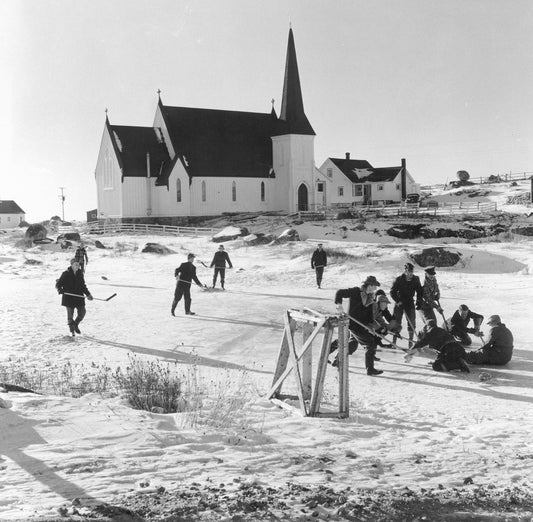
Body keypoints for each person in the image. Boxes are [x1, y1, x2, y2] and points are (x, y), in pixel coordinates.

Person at [334, 275, 383, 376]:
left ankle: (337, 360)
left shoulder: (370, 298)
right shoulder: (356, 291)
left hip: (361, 325)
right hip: (353, 325)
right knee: (370, 344)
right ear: (370, 285)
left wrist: (372, 327)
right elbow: (339, 293)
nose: (375, 288)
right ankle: (370, 370)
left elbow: (369, 317)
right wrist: (339, 305)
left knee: (352, 345)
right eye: (375, 286)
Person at [55, 258, 93, 335]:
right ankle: (72, 330)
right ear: (71, 265)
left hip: (79, 297)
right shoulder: (66, 273)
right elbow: (58, 284)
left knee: (82, 313)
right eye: (76, 264)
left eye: (78, 264)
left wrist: (88, 294)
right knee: (70, 315)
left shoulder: (80, 273)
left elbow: (83, 286)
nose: (77, 266)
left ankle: (75, 324)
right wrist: (60, 290)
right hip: (69, 297)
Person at [390, 262, 423, 345]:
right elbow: (392, 292)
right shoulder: (398, 279)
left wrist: (419, 301)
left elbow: (419, 291)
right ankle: (394, 342)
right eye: (408, 272)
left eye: (411, 272)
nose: (410, 274)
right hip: (399, 303)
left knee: (412, 322)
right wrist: (398, 301)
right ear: (405, 271)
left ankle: (410, 342)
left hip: (410, 303)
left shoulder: (416, 279)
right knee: (396, 322)